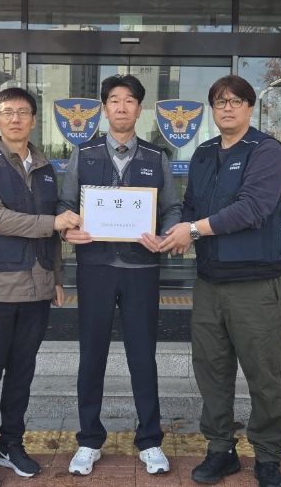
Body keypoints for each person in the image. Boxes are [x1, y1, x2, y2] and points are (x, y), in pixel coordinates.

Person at [160, 75, 281, 487]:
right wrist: (173, 233)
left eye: (235, 101)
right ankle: (220, 450)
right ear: (212, 110)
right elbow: (191, 206)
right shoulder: (203, 153)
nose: (227, 108)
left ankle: (267, 455)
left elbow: (252, 208)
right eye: (219, 102)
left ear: (250, 107)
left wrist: (192, 231)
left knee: (263, 375)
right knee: (211, 372)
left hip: (255, 284)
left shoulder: (265, 151)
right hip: (209, 283)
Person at [58, 74, 182, 476]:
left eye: (130, 100)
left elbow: (172, 209)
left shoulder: (156, 157)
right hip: (95, 268)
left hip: (141, 270)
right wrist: (68, 229)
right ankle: (89, 440)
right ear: (104, 108)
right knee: (91, 355)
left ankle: (150, 440)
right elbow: (65, 204)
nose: (122, 107)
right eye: (114, 100)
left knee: (142, 356)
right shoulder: (85, 153)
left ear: (139, 109)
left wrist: (166, 233)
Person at [0, 87, 80, 487]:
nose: (15, 118)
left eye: (23, 112)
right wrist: (54, 223)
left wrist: (57, 277)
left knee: (21, 374)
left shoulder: (47, 168)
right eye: (7, 112)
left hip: (37, 289)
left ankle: (11, 444)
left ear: (33, 120)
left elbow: (54, 229)